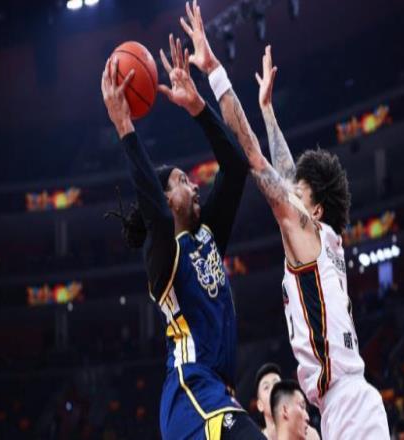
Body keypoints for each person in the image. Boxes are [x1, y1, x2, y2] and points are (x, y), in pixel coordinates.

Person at [179, 2, 389, 438]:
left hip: (348, 406)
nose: (289, 193)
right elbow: (289, 176)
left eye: (299, 194)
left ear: (314, 210)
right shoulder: (321, 239)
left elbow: (256, 160)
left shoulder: (309, 233)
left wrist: (215, 72)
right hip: (343, 405)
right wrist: (269, 112)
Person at [101, 35, 265, 440]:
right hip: (190, 391)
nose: (194, 186)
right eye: (182, 182)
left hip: (217, 392)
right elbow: (156, 215)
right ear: (167, 201)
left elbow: (235, 166)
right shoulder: (164, 257)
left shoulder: (208, 235)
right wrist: (125, 127)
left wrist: (198, 107)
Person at [254, 363, 282, 439]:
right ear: (260, 405)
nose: (273, 388)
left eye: (276, 383)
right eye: (266, 387)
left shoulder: (305, 433)